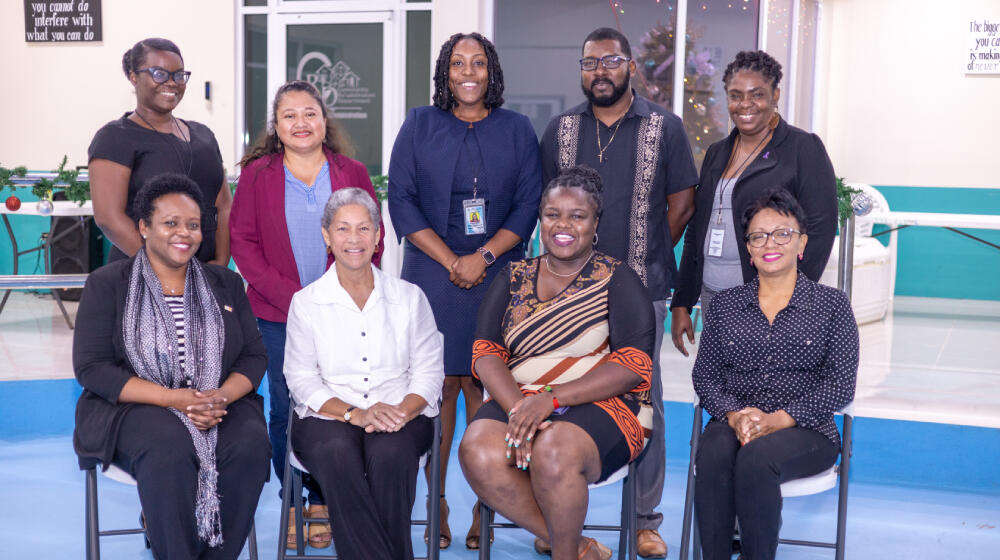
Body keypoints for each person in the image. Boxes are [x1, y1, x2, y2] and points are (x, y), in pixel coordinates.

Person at [538, 27, 698, 558]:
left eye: (609, 61)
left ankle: (645, 520)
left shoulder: (664, 128)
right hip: (565, 297)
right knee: (559, 391)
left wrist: (640, 263)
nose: (599, 71)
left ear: (630, 65)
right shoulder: (560, 131)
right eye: (589, 63)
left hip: (641, 291)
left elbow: (680, 206)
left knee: (642, 399)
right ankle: (556, 520)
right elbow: (548, 213)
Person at [388, 31, 542, 549]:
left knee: (486, 386)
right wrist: (454, 259)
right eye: (458, 63)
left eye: (478, 62)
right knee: (439, 388)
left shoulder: (518, 130)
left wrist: (484, 257)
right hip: (433, 273)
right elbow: (403, 202)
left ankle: (487, 505)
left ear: (492, 70)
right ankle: (437, 505)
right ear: (445, 72)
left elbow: (527, 205)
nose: (468, 71)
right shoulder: (418, 124)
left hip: (499, 275)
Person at [459, 166, 655, 560]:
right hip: (521, 398)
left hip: (608, 404)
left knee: (553, 448)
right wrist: (521, 408)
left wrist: (549, 399)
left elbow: (634, 364)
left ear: (595, 222)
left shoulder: (618, 278)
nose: (562, 225)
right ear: (540, 219)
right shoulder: (513, 276)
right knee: (476, 449)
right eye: (552, 214)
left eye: (577, 216)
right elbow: (485, 353)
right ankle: (577, 546)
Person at [72, 174, 270, 560]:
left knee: (249, 445)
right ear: (144, 227)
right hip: (136, 407)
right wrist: (172, 399)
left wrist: (220, 396)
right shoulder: (108, 284)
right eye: (171, 223)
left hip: (217, 401)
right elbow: (92, 368)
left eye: (193, 225)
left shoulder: (226, 284)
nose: (185, 233)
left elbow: (253, 356)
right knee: (168, 449)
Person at [229, 80, 383, 549]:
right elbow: (244, 245)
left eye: (309, 113)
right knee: (286, 406)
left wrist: (336, 295)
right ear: (276, 127)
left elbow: (369, 237)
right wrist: (297, 299)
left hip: (345, 310)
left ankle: (326, 499)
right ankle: (296, 498)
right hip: (277, 314)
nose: (300, 122)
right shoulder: (258, 174)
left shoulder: (351, 169)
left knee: (338, 399)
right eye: (289, 115)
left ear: (324, 120)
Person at [691, 188, 858, 560]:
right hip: (737, 419)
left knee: (756, 459)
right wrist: (735, 415)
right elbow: (706, 377)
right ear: (748, 249)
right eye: (758, 236)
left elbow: (841, 384)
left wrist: (780, 419)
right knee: (714, 453)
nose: (771, 243)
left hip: (807, 429)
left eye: (783, 233)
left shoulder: (832, 306)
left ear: (802, 244)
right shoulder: (725, 306)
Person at [284, 188, 444, 560]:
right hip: (328, 414)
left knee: (391, 455)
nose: (353, 239)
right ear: (326, 236)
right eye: (342, 229)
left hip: (402, 411)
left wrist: (403, 410)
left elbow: (429, 372)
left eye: (363, 229)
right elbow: (301, 379)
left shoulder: (410, 297)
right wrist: (355, 413)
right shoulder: (306, 303)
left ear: (377, 237)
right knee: (337, 452)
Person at [671, 50, 838, 357]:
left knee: (767, 391)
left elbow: (820, 229)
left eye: (756, 95)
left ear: (775, 95)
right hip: (714, 297)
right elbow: (698, 228)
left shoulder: (803, 148)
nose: (745, 105)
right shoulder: (717, 152)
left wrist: (791, 296)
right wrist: (683, 300)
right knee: (726, 391)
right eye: (735, 96)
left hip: (767, 298)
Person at [89, 38, 232, 266]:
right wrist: (168, 270)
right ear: (134, 76)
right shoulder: (115, 137)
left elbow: (224, 205)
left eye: (178, 75)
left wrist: (221, 262)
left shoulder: (203, 135)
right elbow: (109, 218)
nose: (171, 82)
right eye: (159, 74)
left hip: (206, 272)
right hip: (142, 272)